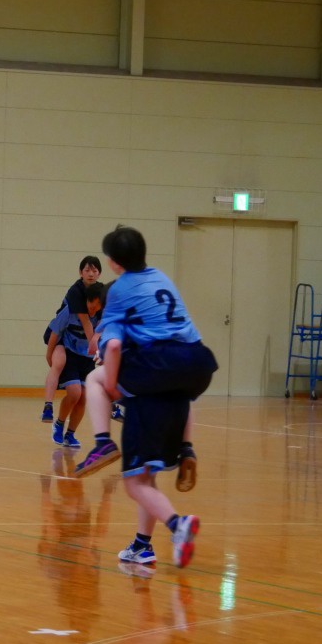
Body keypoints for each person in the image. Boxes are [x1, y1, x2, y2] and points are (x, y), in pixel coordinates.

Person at [72, 226, 216, 569]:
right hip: (194, 366)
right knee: (145, 472)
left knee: (94, 379)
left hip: (156, 373)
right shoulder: (160, 278)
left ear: (112, 262)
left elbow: (117, 346)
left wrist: (111, 385)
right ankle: (142, 543)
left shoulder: (119, 291)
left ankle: (104, 442)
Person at [41, 256, 102, 424]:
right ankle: (48, 405)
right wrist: (49, 354)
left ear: (99, 274)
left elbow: (105, 321)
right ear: (80, 273)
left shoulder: (101, 293)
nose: (90, 274)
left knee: (82, 394)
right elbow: (85, 322)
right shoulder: (76, 292)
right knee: (58, 362)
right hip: (60, 332)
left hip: (80, 339)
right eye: (87, 270)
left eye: (94, 270)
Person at [47, 282, 107, 449]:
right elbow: (55, 331)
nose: (93, 310)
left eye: (97, 308)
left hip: (86, 359)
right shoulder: (71, 310)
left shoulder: (102, 317)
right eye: (91, 306)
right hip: (70, 354)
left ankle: (70, 434)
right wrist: (49, 354)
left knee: (84, 397)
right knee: (74, 393)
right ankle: (59, 424)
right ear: (86, 300)